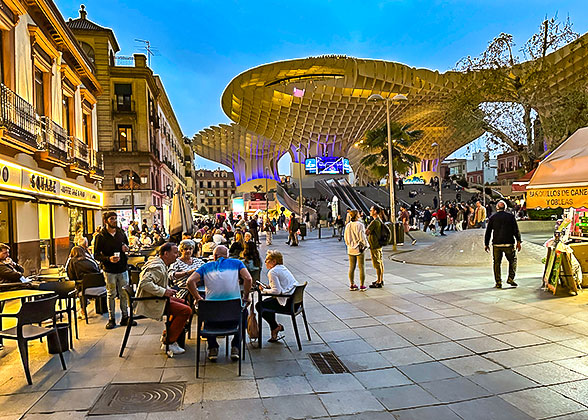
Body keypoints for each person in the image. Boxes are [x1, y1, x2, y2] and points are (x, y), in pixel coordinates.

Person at [186, 245, 252, 361]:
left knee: (205, 311)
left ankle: (213, 347)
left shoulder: (206, 266)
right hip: (234, 315)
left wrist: (197, 298)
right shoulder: (237, 263)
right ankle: (235, 345)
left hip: (212, 318)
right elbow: (248, 279)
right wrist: (246, 296)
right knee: (244, 312)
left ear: (214, 256)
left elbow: (190, 281)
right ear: (227, 256)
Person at [135, 243, 192, 355]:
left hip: (157, 298)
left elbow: (157, 281)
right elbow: (144, 283)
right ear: (166, 253)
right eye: (175, 252)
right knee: (186, 310)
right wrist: (164, 291)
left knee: (185, 303)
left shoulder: (160, 263)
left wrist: (168, 289)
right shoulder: (157, 266)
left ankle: (167, 335)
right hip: (152, 300)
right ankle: (169, 343)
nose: (177, 255)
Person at [93, 211, 135, 330]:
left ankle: (125, 317)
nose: (114, 221)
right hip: (109, 270)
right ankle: (111, 319)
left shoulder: (121, 233)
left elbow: (127, 246)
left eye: (115, 219)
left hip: (122, 268)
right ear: (106, 221)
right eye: (112, 219)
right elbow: (96, 255)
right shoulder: (100, 237)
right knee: (111, 294)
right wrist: (108, 259)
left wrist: (126, 248)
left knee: (123, 293)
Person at [256, 250, 299, 342]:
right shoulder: (282, 268)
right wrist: (268, 287)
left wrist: (264, 290)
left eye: (267, 260)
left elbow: (277, 291)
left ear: (274, 261)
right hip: (295, 302)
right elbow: (280, 287)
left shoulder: (273, 272)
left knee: (259, 305)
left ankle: (275, 327)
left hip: (287, 304)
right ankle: (275, 328)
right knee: (267, 303)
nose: (265, 262)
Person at [484, 200, 522, 289]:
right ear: (505, 208)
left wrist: (486, 244)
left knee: (497, 263)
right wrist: (519, 241)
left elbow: (488, 232)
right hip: (509, 243)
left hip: (497, 244)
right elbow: (515, 230)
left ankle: (498, 282)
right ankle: (510, 278)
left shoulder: (493, 217)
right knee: (512, 260)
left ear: (497, 208)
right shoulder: (510, 217)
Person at [66, 245, 101, 318]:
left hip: (84, 287)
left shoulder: (72, 262)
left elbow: (71, 277)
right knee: (83, 285)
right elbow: (98, 270)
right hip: (99, 286)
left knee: (80, 287)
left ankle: (83, 310)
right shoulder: (90, 260)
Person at [344, 210, 369, 291]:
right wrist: (366, 245)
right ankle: (362, 285)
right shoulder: (360, 225)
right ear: (357, 215)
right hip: (359, 248)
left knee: (352, 267)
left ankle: (352, 284)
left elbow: (345, 238)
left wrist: (349, 244)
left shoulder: (348, 226)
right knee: (361, 267)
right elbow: (362, 237)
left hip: (350, 249)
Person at [366, 206, 385, 288]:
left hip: (374, 245)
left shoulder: (374, 222)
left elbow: (367, 232)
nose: (370, 211)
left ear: (375, 211)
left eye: (371, 210)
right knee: (380, 262)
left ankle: (379, 281)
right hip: (378, 244)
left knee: (377, 263)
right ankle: (380, 279)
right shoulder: (379, 220)